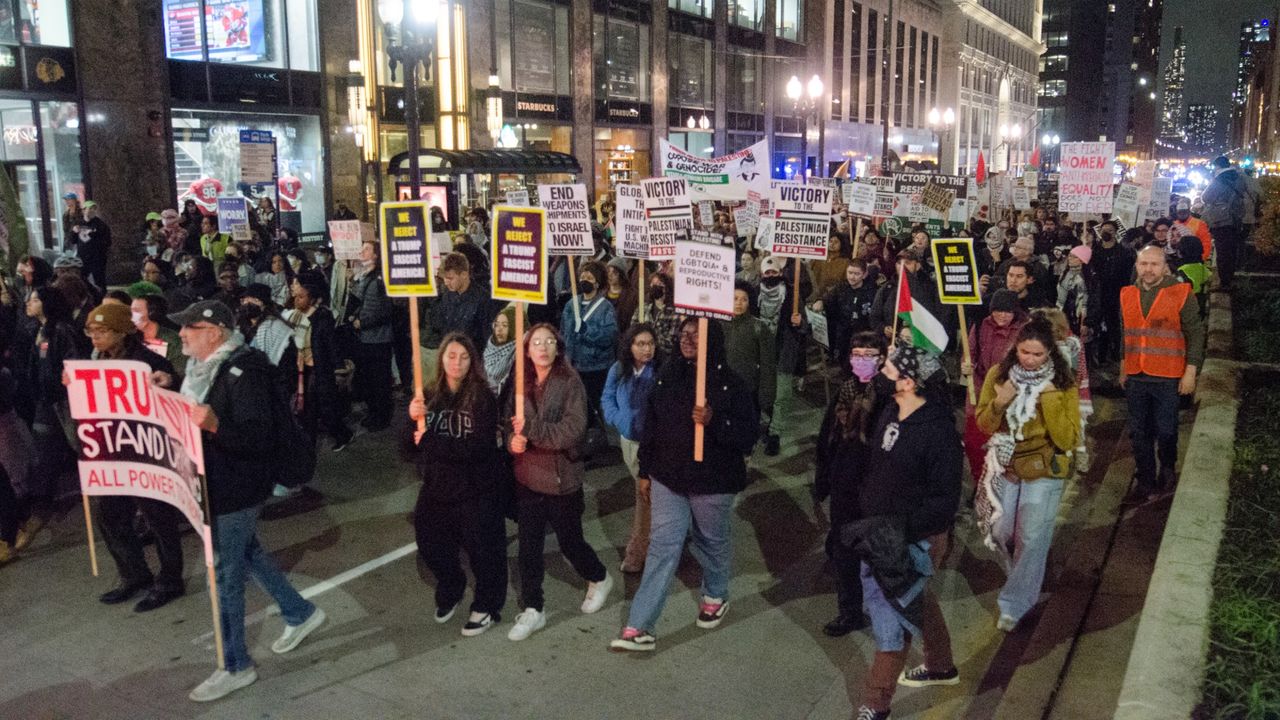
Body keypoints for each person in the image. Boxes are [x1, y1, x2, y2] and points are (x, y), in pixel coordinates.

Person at [173, 301, 326, 702]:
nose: (182, 334)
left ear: (215, 333)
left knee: (225, 574)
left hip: (236, 487)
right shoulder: (199, 370)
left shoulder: (246, 371)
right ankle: (300, 613)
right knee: (249, 554)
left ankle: (235, 665)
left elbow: (258, 438)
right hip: (214, 483)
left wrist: (215, 425)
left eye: (191, 327)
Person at [610, 317, 757, 653]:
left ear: (713, 340)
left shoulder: (731, 384)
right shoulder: (668, 376)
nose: (688, 339)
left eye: (697, 334)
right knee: (662, 546)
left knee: (710, 540)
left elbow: (748, 436)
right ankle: (639, 625)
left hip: (713, 481)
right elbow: (652, 426)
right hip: (668, 478)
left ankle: (716, 593)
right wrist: (645, 470)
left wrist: (715, 421)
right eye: (684, 334)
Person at [846, 345, 962, 720]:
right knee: (916, 600)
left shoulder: (940, 433)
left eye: (890, 369)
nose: (882, 372)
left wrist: (896, 532)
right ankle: (941, 666)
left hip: (909, 540)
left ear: (909, 382)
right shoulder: (892, 410)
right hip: (882, 533)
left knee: (892, 618)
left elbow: (944, 501)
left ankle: (876, 704)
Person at [504, 323, 612, 642]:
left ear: (557, 346)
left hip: (561, 478)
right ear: (526, 349)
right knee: (529, 546)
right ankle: (533, 608)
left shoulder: (570, 381)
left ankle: (599, 576)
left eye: (549, 341)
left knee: (570, 543)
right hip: (527, 477)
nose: (543, 347)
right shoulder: (520, 381)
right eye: (536, 341)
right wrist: (512, 440)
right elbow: (508, 420)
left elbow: (572, 431)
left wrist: (533, 431)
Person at [972, 318, 1079, 633]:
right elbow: (983, 424)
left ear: (1050, 354)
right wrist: (1000, 402)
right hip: (1005, 465)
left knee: (1031, 538)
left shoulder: (1063, 383)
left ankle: (1015, 603)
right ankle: (1023, 575)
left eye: (1037, 355)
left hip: (1043, 468)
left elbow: (1067, 438)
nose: (1029, 360)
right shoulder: (999, 375)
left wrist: (1049, 399)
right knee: (1001, 531)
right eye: (1024, 352)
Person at [81, 303, 186, 612]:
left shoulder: (148, 361)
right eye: (91, 332)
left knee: (158, 518)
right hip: (111, 452)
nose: (95, 338)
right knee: (110, 515)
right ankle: (134, 575)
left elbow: (174, 397)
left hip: (146, 453)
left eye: (102, 332)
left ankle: (170, 580)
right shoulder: (96, 361)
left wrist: (166, 385)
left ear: (123, 332)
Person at [405, 332, 508, 636]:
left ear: (472, 362)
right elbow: (410, 448)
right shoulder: (429, 394)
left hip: (474, 488)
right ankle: (452, 584)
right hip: (437, 486)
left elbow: (477, 449)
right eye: (451, 356)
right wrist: (412, 420)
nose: (457, 363)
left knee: (483, 550)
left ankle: (488, 605)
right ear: (441, 359)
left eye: (464, 357)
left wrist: (431, 441)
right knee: (429, 542)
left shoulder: (482, 398)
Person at [812, 331, 886, 637]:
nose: (862, 360)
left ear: (883, 358)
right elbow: (827, 440)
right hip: (844, 484)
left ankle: (884, 611)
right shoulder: (844, 391)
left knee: (877, 553)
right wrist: (823, 480)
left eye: (870, 355)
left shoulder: (889, 396)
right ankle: (850, 611)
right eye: (857, 354)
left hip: (876, 487)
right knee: (844, 550)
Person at [1120, 246, 1204, 505]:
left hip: (1168, 375)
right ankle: (1145, 481)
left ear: (1164, 266)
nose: (1148, 269)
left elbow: (1195, 333)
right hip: (1136, 375)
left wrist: (1190, 372)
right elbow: (1125, 333)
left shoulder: (1180, 293)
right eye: (1144, 263)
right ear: (1137, 265)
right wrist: (1123, 367)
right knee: (1139, 432)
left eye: (1154, 264)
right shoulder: (1127, 294)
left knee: (1166, 430)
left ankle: (1167, 470)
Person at [601, 323, 658, 573]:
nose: (647, 349)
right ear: (630, 346)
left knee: (644, 495)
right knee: (646, 494)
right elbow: (607, 397)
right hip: (628, 440)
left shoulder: (659, 371)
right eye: (641, 344)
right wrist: (618, 418)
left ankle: (638, 551)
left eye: (650, 344)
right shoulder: (619, 369)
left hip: (651, 443)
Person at [962, 289, 1028, 482]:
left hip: (1008, 392)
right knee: (975, 441)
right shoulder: (982, 326)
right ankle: (979, 479)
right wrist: (967, 365)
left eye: (1007, 312)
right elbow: (970, 351)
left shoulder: (1025, 330)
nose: (1002, 315)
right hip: (979, 387)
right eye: (998, 310)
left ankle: (999, 480)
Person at [290, 271, 353, 451]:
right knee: (307, 408)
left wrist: (339, 369)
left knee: (327, 408)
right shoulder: (295, 314)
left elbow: (332, 345)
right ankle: (308, 441)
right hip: (304, 368)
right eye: (296, 295)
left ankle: (343, 434)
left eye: (301, 296)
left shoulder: (322, 316)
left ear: (312, 297)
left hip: (320, 368)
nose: (296, 299)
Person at [560, 260, 618, 425]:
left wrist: (588, 332)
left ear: (597, 282)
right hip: (573, 365)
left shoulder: (605, 307)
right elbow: (563, 332)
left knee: (591, 404)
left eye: (589, 278)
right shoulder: (572, 305)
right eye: (582, 277)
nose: (584, 280)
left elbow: (610, 336)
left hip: (596, 367)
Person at [721, 281, 777, 450]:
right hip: (723, 389)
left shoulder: (759, 327)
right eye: (735, 298)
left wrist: (766, 395)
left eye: (743, 299)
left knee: (745, 434)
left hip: (748, 391)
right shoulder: (719, 324)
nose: (738, 303)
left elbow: (768, 364)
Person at [347, 240, 394, 431]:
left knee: (379, 380)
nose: (362, 252)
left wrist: (362, 322)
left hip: (378, 338)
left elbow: (381, 309)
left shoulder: (379, 279)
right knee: (370, 379)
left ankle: (380, 416)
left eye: (367, 249)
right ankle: (374, 412)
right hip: (367, 338)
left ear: (376, 255)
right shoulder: (363, 276)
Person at [813, 259, 877, 363]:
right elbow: (828, 297)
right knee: (843, 354)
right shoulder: (841, 287)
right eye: (850, 273)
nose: (852, 277)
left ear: (864, 275)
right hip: (844, 328)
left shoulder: (871, 291)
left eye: (857, 274)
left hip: (862, 330)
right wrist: (820, 301)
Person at [1199, 156, 1248, 289]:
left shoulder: (1219, 179)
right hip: (1235, 217)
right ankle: (1230, 278)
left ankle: (1224, 283)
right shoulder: (1239, 178)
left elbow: (1206, 197)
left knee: (1222, 252)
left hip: (1221, 220)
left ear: (1218, 167)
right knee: (1231, 250)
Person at [130, 293, 187, 378]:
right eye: (131, 310)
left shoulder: (173, 340)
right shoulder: (129, 338)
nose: (131, 314)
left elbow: (179, 373)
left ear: (152, 314)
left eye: (136, 311)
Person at [634, 272, 679, 361]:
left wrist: (649, 340)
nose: (655, 287)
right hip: (640, 356)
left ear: (667, 289)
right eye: (653, 284)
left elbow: (671, 343)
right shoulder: (643, 308)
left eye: (659, 285)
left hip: (664, 359)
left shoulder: (674, 312)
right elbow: (633, 329)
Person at [73, 201, 112, 289]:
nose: (91, 211)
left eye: (93, 209)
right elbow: (73, 241)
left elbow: (107, 242)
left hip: (97, 258)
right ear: (83, 210)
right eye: (89, 208)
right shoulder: (78, 223)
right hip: (82, 258)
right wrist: (74, 232)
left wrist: (94, 235)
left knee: (99, 281)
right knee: (82, 280)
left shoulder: (101, 225)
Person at [482, 305, 517, 395]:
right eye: (496, 325)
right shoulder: (488, 349)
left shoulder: (519, 351)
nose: (499, 329)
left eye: (505, 325)